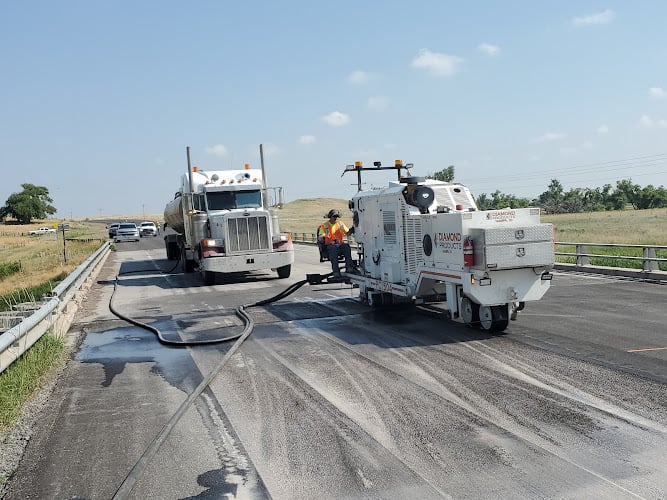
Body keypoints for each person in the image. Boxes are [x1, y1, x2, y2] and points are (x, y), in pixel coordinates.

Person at [318, 209, 357, 277]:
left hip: (340, 245)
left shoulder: (340, 224)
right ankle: (336, 271)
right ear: (330, 217)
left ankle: (349, 267)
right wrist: (322, 237)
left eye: (336, 216)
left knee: (346, 246)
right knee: (333, 249)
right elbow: (320, 236)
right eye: (334, 216)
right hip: (330, 246)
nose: (335, 218)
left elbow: (348, 233)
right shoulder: (324, 226)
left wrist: (352, 229)